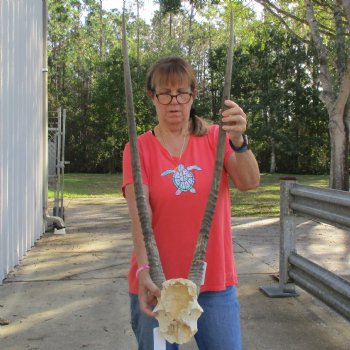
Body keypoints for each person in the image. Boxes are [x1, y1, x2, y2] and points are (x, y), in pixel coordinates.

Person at [122, 56, 260, 350]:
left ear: (193, 94)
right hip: (156, 285)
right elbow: (140, 213)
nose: (174, 102)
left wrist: (239, 141)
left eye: (182, 93)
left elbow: (249, 182)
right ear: (152, 96)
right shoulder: (138, 149)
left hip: (214, 285)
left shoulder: (215, 138)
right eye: (165, 93)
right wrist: (144, 268)